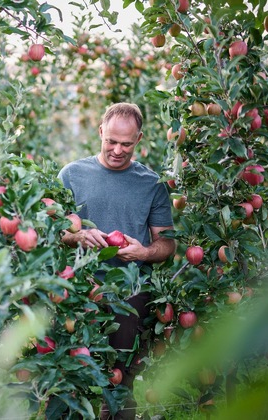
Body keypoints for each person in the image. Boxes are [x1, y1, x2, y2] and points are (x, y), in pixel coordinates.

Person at [59, 102, 176, 419]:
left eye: (126, 143)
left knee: (120, 379)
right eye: (111, 140)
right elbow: (51, 234)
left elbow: (167, 243)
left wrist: (144, 252)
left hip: (130, 293)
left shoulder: (151, 184)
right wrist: (77, 236)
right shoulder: (71, 175)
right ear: (100, 132)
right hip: (79, 289)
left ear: (138, 139)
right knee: (67, 376)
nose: (117, 150)